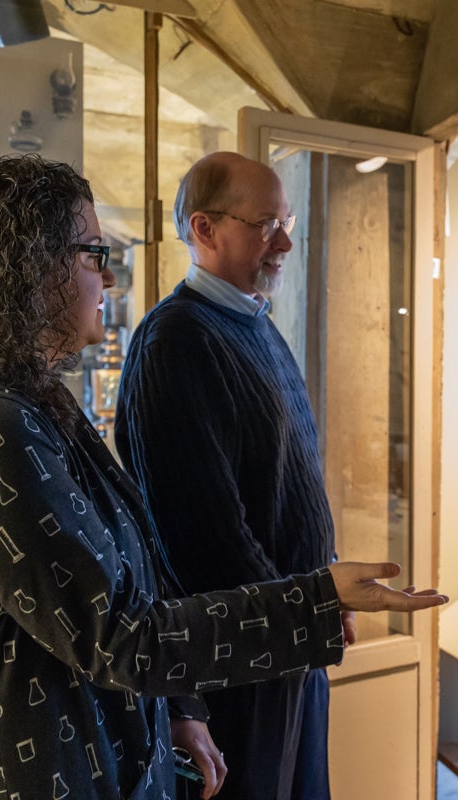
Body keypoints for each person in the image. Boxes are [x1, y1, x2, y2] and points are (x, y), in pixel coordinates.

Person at [0, 154, 445, 800]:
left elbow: (122, 578)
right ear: (31, 268)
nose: (110, 281)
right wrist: (311, 602)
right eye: (95, 254)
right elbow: (124, 632)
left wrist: (177, 707)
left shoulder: (23, 404)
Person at [115, 151, 339, 799]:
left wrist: (319, 598)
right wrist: (303, 612)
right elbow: (202, 537)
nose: (287, 242)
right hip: (241, 663)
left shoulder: (254, 323)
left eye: (287, 222)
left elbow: (289, 485)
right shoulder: (176, 342)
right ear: (205, 230)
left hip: (287, 648)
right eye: (268, 224)